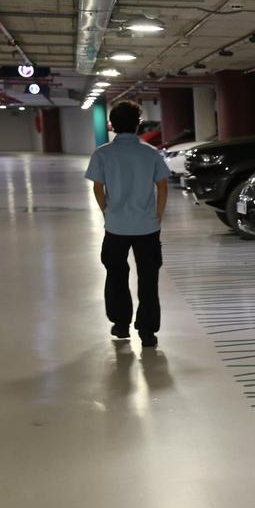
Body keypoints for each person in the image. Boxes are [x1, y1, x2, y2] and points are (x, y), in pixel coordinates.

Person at [85, 100, 170, 347]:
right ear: (138, 125)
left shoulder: (102, 153)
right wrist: (158, 215)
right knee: (148, 279)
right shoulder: (150, 153)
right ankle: (147, 332)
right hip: (147, 228)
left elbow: (97, 188)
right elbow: (162, 186)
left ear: (112, 125)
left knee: (116, 276)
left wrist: (107, 212)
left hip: (116, 228)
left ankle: (121, 325)